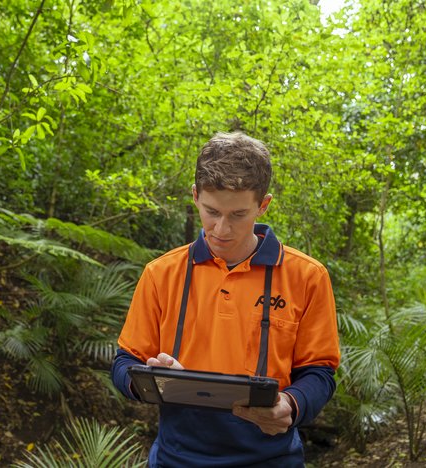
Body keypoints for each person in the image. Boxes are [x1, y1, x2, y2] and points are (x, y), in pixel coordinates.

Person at [110, 131, 340, 467]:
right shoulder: (161, 273)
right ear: (195, 196)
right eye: (211, 211)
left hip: (271, 458)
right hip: (177, 457)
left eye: (237, 215)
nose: (220, 229)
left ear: (263, 205)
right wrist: (149, 379)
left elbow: (319, 373)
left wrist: (291, 404)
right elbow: (123, 362)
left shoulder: (307, 276)